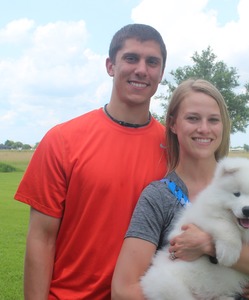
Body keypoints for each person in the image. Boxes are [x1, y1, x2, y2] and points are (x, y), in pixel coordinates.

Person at [14, 23, 169, 299]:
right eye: (131, 58)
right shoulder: (62, 140)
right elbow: (42, 238)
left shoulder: (174, 148)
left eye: (152, 62)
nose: (141, 69)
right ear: (110, 66)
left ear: (161, 73)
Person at [111, 79, 249, 300]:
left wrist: (208, 244)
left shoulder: (247, 184)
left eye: (213, 120)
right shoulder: (158, 196)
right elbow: (123, 290)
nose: (204, 128)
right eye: (193, 118)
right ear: (173, 124)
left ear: (223, 126)